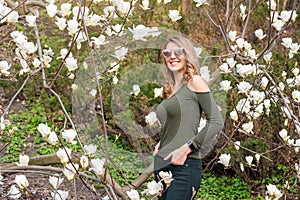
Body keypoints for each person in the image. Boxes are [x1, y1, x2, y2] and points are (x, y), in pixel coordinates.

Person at [153, 36, 224, 200]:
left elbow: (216, 121)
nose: (172, 56)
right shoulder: (171, 88)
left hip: (184, 166)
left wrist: (186, 149)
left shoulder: (195, 81)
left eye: (178, 51)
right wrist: (160, 143)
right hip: (162, 164)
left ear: (187, 55)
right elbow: (176, 123)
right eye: (167, 53)